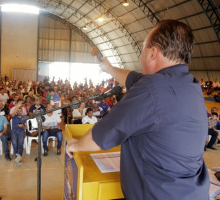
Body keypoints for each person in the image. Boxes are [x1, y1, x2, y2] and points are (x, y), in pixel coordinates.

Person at [66, 20, 209, 200]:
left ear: (152, 52)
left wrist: (75, 145)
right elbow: (133, 79)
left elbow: (101, 136)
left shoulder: (152, 88)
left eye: (143, 48)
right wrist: (109, 68)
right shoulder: (189, 83)